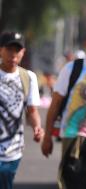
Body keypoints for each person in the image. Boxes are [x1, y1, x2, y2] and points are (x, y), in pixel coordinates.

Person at [41, 26, 86, 189]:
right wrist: (47, 137)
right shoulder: (72, 69)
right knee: (72, 183)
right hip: (73, 136)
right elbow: (55, 104)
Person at [0, 31, 44, 189]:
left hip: (12, 150)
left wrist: (37, 127)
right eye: (9, 49)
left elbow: (32, 111)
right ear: (1, 50)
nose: (13, 54)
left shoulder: (28, 77)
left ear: (23, 52)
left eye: (17, 50)